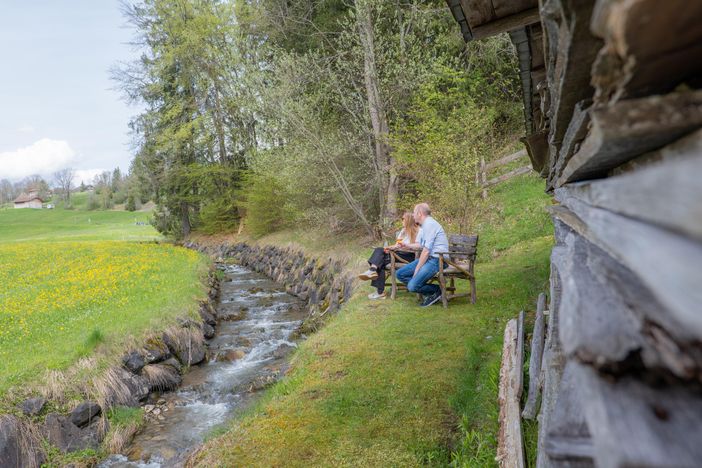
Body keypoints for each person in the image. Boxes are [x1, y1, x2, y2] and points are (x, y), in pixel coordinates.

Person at [396, 203, 449, 307]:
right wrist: (407, 245)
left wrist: (417, 268)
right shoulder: (425, 225)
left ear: (420, 213)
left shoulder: (429, 224)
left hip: (438, 260)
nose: (413, 215)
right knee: (400, 274)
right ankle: (425, 288)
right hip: (430, 259)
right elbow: (421, 245)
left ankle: (436, 291)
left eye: (414, 213)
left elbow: (426, 251)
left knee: (412, 286)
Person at [359, 212, 419, 299]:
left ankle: (375, 280)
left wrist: (398, 248)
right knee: (380, 255)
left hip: (408, 256)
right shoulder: (403, 231)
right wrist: (389, 248)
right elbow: (397, 245)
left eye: (403, 219)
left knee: (379, 255)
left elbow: (416, 247)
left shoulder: (417, 232)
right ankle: (376, 281)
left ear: (408, 220)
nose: (402, 221)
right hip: (398, 253)